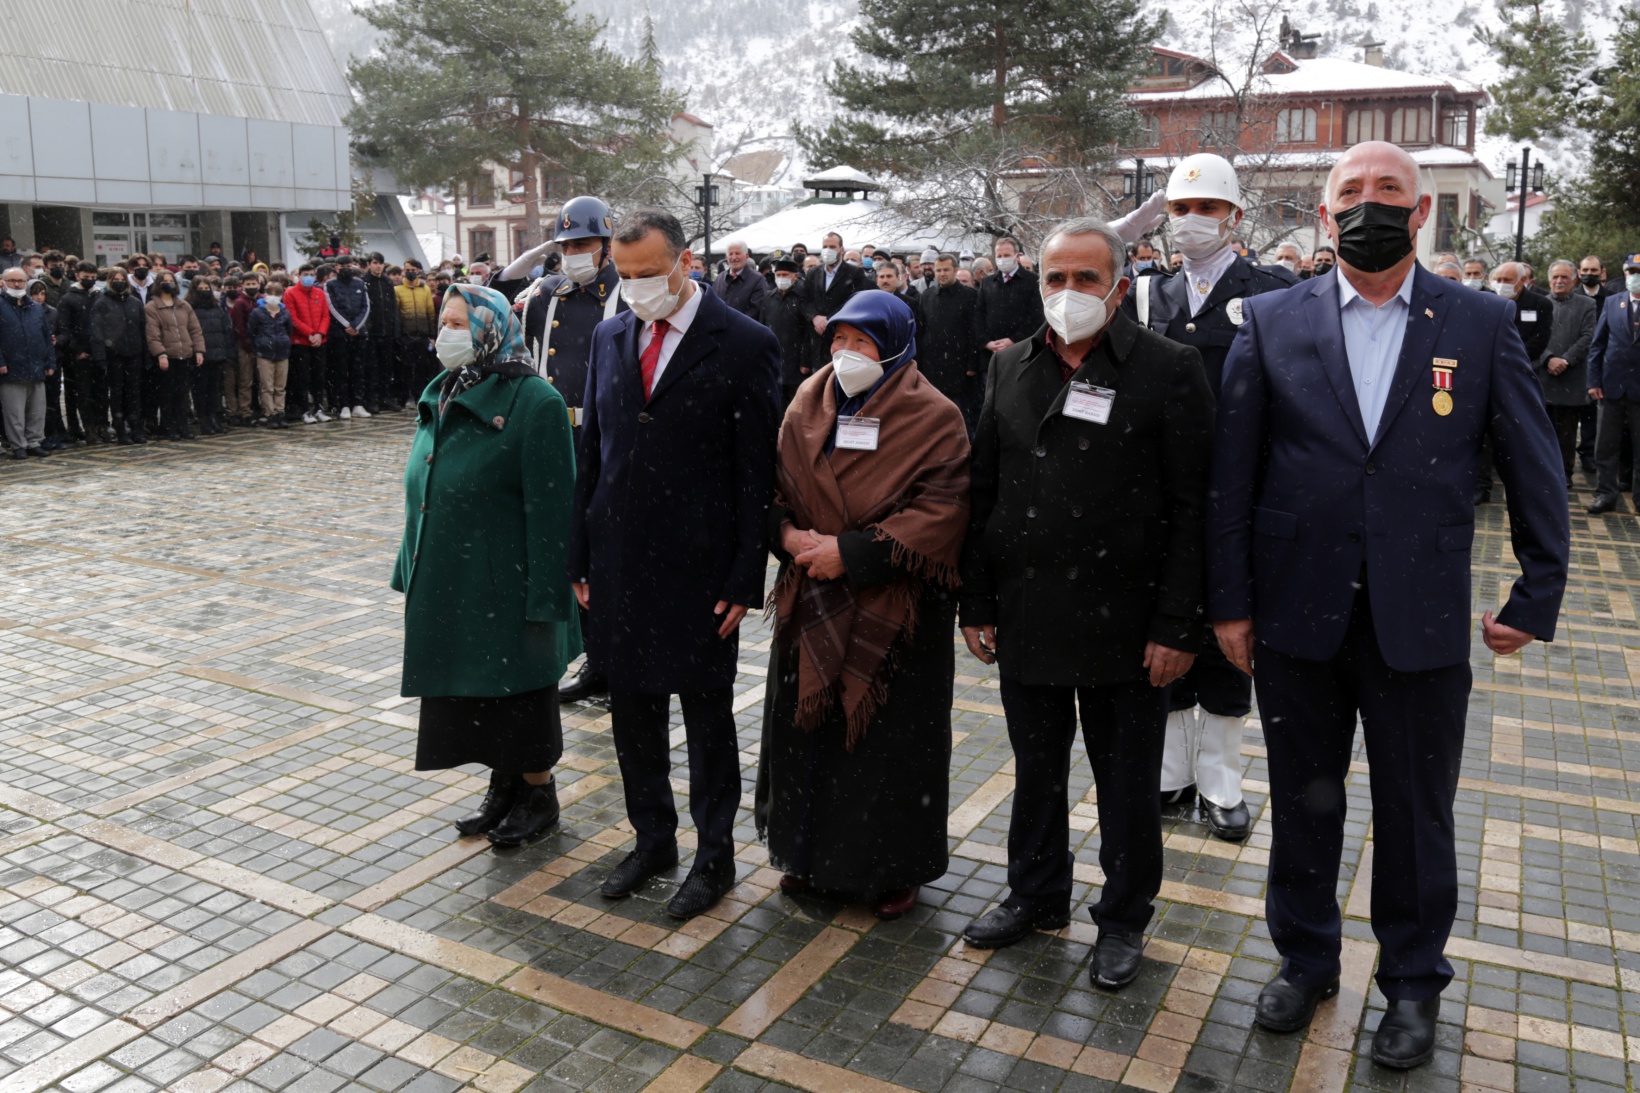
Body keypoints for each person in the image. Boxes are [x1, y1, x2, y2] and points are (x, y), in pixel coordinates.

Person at [1207, 141, 1569, 1068]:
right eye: (1351, 194)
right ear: (1325, 218)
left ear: (1420, 215)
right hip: (1297, 612)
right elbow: (1233, 475)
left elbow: (1534, 461)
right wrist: (1230, 604)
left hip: (1424, 614)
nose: (1369, 205)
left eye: (1390, 193)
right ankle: (1306, 956)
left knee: (1416, 812)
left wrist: (1537, 591)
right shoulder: (1272, 319)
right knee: (1303, 800)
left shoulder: (1479, 322)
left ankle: (1412, 983)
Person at [959, 217, 1215, 990]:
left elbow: (1194, 507)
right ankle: (1036, 894)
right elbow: (982, 489)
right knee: (1036, 771)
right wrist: (976, 599)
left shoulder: (1170, 368)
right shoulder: (1011, 369)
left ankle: (1124, 917)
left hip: (1130, 624)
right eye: (1055, 279)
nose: (1069, 294)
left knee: (1126, 782)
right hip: (1029, 613)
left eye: (1085, 279)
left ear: (1120, 286)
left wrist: (1179, 625)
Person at [570, 208, 781, 919]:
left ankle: (712, 855)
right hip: (619, 563)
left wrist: (745, 577)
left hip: (699, 569)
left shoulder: (745, 342)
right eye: (623, 276)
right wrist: (579, 552)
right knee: (631, 712)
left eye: (648, 275)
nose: (635, 289)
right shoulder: (610, 335)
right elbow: (592, 451)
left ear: (685, 264)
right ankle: (651, 837)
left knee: (707, 719)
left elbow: (758, 473)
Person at [758, 290, 970, 920]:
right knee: (807, 732)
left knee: (888, 745)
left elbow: (943, 509)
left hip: (893, 609)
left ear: (897, 344)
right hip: (811, 594)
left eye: (864, 342)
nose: (847, 354)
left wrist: (852, 553)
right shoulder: (807, 400)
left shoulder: (934, 416)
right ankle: (806, 854)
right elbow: (773, 485)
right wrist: (790, 537)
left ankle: (892, 867)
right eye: (840, 340)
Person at [1123, 152, 1293, 841]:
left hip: (1241, 491)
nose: (1192, 222)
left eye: (1207, 209)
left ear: (1234, 217)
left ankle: (1222, 776)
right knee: (1166, 625)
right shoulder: (1148, 295)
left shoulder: (1272, 291)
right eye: (1182, 210)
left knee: (1230, 628)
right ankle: (1170, 769)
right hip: (1164, 492)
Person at [393, 282, 581, 848]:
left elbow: (555, 510)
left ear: (491, 329)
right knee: (477, 696)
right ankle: (504, 789)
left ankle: (539, 794)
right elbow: (422, 486)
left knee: (522, 693)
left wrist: (549, 600)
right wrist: (410, 566)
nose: (447, 335)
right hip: (453, 577)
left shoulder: (536, 402)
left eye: (459, 324)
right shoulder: (445, 388)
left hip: (508, 582)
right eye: (444, 323)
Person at [496, 196, 629, 706]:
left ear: (606, 246)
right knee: (571, 557)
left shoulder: (628, 290)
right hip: (556, 441)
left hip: (611, 442)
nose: (574, 253)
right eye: (566, 244)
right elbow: (495, 301)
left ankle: (618, 661)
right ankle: (594, 660)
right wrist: (533, 259)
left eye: (583, 244)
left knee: (611, 556)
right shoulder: (546, 292)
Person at [1476, 262, 1555, 503]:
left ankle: (1522, 487)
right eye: (1497, 278)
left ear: (1522, 282)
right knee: (1483, 434)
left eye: (1508, 280)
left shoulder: (1541, 304)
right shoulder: (1481, 299)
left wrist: (1507, 358)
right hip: (1485, 376)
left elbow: (1539, 341)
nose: (1501, 284)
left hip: (1520, 376)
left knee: (1518, 434)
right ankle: (1481, 485)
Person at [1585, 254, 1640, 514]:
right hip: (1611, 386)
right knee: (1605, 446)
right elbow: (1598, 345)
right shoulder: (1612, 302)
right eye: (1632, 271)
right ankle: (1606, 495)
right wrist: (1593, 381)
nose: (1635, 276)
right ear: (1624, 273)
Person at [1536, 260, 1598, 487]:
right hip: (1543, 375)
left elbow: (1588, 336)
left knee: (1567, 432)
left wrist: (1565, 360)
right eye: (1555, 277)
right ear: (1549, 279)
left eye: (1564, 277)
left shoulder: (1587, 304)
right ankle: (1541, 471)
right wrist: (1549, 358)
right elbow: (1534, 337)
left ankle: (1564, 474)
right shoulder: (1540, 303)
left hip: (1571, 376)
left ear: (1574, 280)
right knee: (1540, 430)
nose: (1559, 281)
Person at [914, 254, 986, 434]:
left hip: (961, 368)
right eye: (938, 270)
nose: (942, 274)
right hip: (932, 366)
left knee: (962, 417)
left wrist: (972, 364)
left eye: (946, 270)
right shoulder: (926, 296)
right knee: (933, 415)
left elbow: (974, 332)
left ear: (955, 270)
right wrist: (918, 365)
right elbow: (920, 332)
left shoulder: (970, 296)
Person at [0, 267, 56, 458]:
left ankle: (34, 442)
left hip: (36, 367)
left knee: (37, 410)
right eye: (12, 280)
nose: (17, 284)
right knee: (14, 412)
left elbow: (46, 337)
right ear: (3, 282)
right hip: (11, 369)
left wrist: (50, 363)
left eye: (21, 281)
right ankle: (18, 446)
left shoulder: (35, 307)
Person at [143, 271, 204, 441]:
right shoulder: (152, 307)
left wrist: (198, 350)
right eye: (164, 281)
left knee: (183, 395)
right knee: (167, 394)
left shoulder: (184, 305)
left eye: (171, 281)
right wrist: (160, 353)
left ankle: (183, 427)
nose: (168, 284)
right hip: (167, 357)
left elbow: (195, 329)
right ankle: (169, 428)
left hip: (184, 355)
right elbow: (152, 335)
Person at [91, 266, 147, 444]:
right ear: (109, 281)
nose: (120, 282)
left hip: (134, 354)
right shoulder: (102, 302)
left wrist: (146, 355)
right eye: (116, 279)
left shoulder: (135, 302)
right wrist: (100, 356)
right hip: (114, 356)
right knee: (117, 393)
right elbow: (96, 331)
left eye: (123, 279)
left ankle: (136, 428)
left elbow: (142, 329)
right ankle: (120, 428)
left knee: (134, 393)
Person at [799, 232, 869, 370]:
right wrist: (814, 317)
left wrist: (829, 319)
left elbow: (854, 301)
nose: (828, 250)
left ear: (841, 250)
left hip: (841, 337)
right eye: (825, 246)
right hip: (816, 342)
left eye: (832, 246)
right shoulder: (813, 273)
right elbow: (804, 300)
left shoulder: (855, 273)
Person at [56, 261, 107, 443]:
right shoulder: (68, 298)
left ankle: (103, 427)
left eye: (93, 278)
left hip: (99, 353)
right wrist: (77, 350)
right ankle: (88, 429)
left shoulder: (99, 295)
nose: (90, 281)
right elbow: (64, 327)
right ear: (78, 276)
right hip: (78, 356)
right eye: (86, 278)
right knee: (83, 395)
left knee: (101, 393)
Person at [976, 236, 1044, 355]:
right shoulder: (988, 282)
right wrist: (986, 342)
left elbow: (1036, 316)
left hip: (1023, 349)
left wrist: (1015, 340)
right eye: (999, 256)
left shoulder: (1033, 281)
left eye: (1007, 255)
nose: (1002, 259)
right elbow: (979, 315)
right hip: (993, 351)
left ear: (1017, 257)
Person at [326, 257, 371, 419]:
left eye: (348, 266)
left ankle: (357, 404)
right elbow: (332, 306)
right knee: (341, 369)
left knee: (358, 369)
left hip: (358, 334)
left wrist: (357, 326)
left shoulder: (360, 284)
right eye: (342, 266)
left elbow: (366, 306)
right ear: (336, 267)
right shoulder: (330, 285)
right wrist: (346, 325)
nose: (345, 268)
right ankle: (343, 405)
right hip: (339, 334)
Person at [762, 257, 810, 409]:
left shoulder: (803, 297)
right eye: (779, 275)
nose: (781, 278)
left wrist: (805, 361)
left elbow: (808, 332)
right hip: (775, 362)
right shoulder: (768, 298)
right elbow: (762, 328)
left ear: (795, 276)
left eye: (785, 275)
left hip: (796, 364)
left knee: (796, 407)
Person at [285, 265, 331, 424]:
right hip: (301, 343)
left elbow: (325, 315)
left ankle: (319, 408)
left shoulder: (320, 293)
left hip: (319, 341)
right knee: (302, 377)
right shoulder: (290, 293)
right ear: (299, 275)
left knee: (319, 377)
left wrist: (320, 333)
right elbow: (293, 318)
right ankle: (304, 410)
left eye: (312, 274)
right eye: (306, 274)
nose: (309, 277)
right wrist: (310, 333)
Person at [189, 280, 234, 435]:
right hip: (200, 355)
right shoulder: (190, 308)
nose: (204, 291)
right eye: (200, 288)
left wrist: (226, 351)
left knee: (214, 390)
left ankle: (213, 417)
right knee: (200, 390)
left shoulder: (218, 307)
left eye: (206, 288)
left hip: (218, 355)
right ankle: (203, 420)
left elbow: (227, 330)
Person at [247, 283, 293, 429]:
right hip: (264, 352)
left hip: (282, 351)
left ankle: (280, 412)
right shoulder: (257, 312)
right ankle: (270, 413)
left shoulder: (285, 312)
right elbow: (251, 332)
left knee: (280, 386)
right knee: (267, 386)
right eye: (270, 293)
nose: (273, 297)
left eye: (277, 294)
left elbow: (289, 330)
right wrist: (258, 346)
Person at [363, 253, 400, 414]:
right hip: (372, 333)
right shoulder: (365, 282)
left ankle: (385, 397)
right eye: (375, 263)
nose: (378, 266)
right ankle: (372, 399)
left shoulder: (387, 282)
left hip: (387, 332)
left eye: (380, 263)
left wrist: (394, 329)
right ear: (369, 264)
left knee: (387, 367)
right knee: (372, 368)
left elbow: (393, 307)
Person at [395, 265, 437, 409]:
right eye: (408, 270)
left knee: (422, 368)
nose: (411, 273)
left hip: (423, 337)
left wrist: (431, 335)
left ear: (418, 271)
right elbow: (397, 314)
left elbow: (430, 313)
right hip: (406, 337)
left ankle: (419, 396)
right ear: (404, 271)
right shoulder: (397, 289)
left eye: (413, 270)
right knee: (406, 369)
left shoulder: (424, 289)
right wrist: (400, 336)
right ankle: (405, 397)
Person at [227, 275, 260, 425]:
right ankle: (245, 412)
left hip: (262, 346)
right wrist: (249, 346)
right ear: (243, 285)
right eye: (249, 283)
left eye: (254, 283)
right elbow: (239, 327)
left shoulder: (261, 300)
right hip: (245, 346)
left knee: (261, 381)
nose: (252, 286)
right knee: (245, 381)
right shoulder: (240, 303)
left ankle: (261, 409)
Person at [713, 239, 769, 321]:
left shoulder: (757, 280)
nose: (734, 257)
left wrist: (733, 324)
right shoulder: (719, 279)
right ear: (726, 257)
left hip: (743, 330)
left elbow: (755, 311)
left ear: (746, 256)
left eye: (737, 253)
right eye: (730, 254)